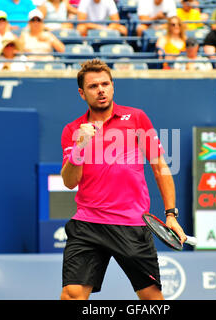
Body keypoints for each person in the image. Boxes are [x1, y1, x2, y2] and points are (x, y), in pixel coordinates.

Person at [60, 59, 187, 300]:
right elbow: (69, 181)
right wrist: (80, 146)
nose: (101, 90)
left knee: (152, 298)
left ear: (113, 86)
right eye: (93, 86)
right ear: (82, 93)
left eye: (105, 84)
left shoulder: (137, 118)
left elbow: (160, 168)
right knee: (72, 294)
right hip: (88, 223)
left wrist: (171, 215)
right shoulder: (73, 130)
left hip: (132, 224)